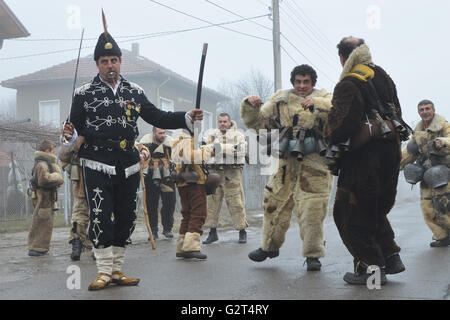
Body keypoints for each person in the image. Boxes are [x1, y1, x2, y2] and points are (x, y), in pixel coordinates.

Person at [66, 28, 203, 290]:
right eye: (104, 62)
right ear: (97, 64)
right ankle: (104, 271)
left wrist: (187, 116)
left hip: (128, 162)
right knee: (100, 217)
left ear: (120, 61)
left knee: (127, 217)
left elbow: (159, 117)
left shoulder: (135, 91)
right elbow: (75, 130)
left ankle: (117, 270)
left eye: (113, 60)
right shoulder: (83, 94)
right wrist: (69, 136)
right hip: (96, 162)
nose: (109, 65)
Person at [323, 36, 406, 285]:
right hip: (391, 153)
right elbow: (397, 113)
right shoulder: (382, 75)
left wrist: (326, 128)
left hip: (364, 159)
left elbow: (340, 128)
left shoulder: (348, 83)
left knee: (349, 213)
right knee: (375, 208)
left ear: (342, 58)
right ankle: (391, 257)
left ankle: (371, 270)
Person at [241, 64, 333, 271]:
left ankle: (313, 255)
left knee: (312, 211)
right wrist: (250, 106)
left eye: (306, 82)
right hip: (285, 164)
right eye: (298, 81)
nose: (302, 86)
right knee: (273, 204)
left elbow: (337, 113)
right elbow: (259, 124)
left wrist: (317, 104)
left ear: (312, 83)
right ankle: (269, 247)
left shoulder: (326, 98)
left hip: (314, 164)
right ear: (293, 82)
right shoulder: (280, 100)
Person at [400, 100, 450, 247]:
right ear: (419, 112)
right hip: (427, 173)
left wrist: (442, 142)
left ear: (433, 110)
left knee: (444, 205)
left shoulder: (444, 125)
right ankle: (441, 236)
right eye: (421, 109)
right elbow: (409, 152)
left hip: (444, 171)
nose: (425, 112)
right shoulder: (417, 131)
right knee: (427, 207)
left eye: (427, 109)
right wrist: (396, 164)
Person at [203, 113, 248, 244]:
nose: (222, 124)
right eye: (220, 121)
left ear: (230, 122)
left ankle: (242, 231)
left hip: (232, 173)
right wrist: (227, 149)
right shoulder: (211, 135)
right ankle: (212, 233)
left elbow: (240, 150)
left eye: (225, 121)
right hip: (215, 171)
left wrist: (218, 148)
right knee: (212, 202)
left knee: (236, 202)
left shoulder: (238, 135)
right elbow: (204, 150)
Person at [171, 130, 217, 260]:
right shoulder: (187, 141)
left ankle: (182, 246)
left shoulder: (178, 141)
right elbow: (193, 156)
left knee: (187, 214)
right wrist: (208, 149)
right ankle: (191, 247)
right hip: (194, 183)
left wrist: (216, 148)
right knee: (198, 213)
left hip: (183, 183)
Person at [58, 126, 94, 261]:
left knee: (99, 214)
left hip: (101, 178)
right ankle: (77, 244)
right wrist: (76, 141)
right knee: (80, 215)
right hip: (83, 182)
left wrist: (143, 150)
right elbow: (63, 153)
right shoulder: (72, 129)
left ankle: (97, 246)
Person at [27, 140, 64, 257]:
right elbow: (44, 180)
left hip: (46, 200)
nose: (54, 153)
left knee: (44, 223)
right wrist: (57, 177)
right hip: (44, 200)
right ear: (47, 150)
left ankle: (39, 248)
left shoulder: (41, 163)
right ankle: (37, 248)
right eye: (53, 150)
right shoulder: (42, 164)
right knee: (42, 224)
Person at [139, 127, 176, 240]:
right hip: (150, 175)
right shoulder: (145, 144)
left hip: (166, 176)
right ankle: (153, 230)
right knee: (151, 203)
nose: (163, 135)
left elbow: (175, 158)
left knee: (170, 202)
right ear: (154, 133)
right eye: (160, 133)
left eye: (164, 133)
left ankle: (167, 228)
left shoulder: (170, 144)